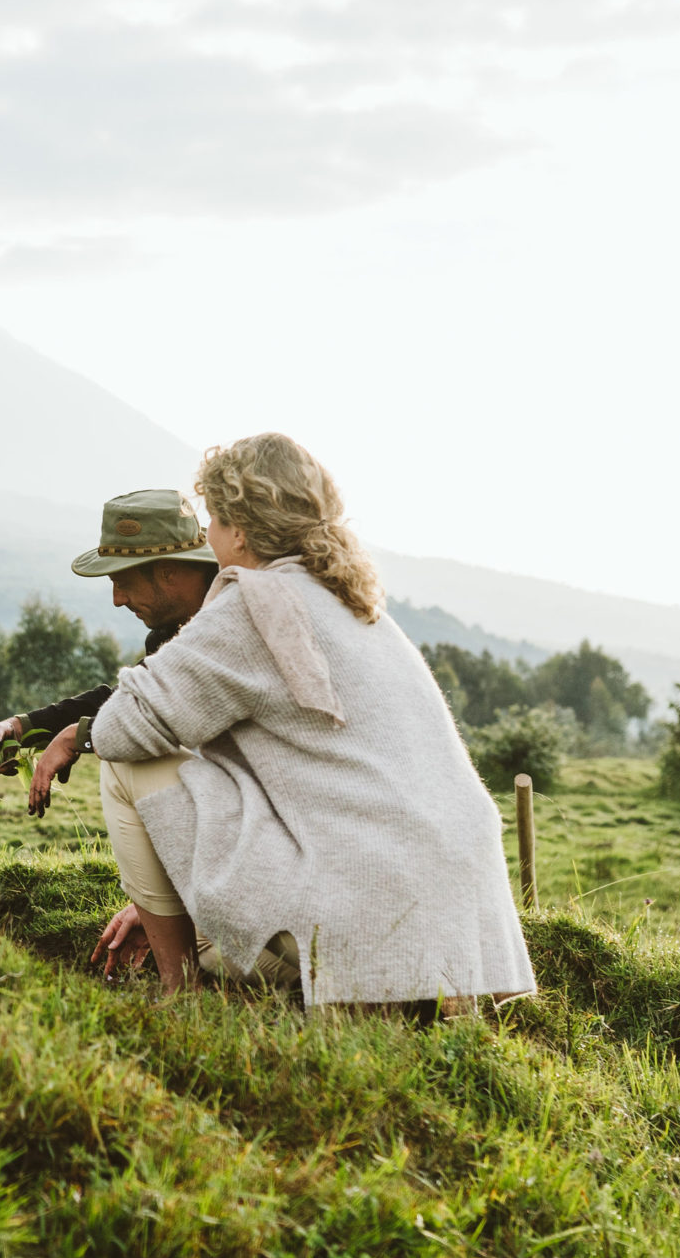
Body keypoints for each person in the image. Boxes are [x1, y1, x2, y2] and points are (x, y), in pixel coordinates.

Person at [87, 434, 535, 1012]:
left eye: (214, 520)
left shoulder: (254, 602)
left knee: (127, 768)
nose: (209, 537)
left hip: (367, 891)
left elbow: (117, 729)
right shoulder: (353, 601)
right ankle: (414, 994)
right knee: (219, 943)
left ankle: (182, 998)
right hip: (456, 905)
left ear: (239, 530)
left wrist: (76, 736)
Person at [0, 488, 219, 814]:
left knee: (121, 763)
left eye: (123, 582)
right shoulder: (174, 630)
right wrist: (20, 728)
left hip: (274, 819)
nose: (117, 599)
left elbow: (173, 710)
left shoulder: (229, 617)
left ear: (167, 570)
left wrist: (80, 737)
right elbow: (127, 699)